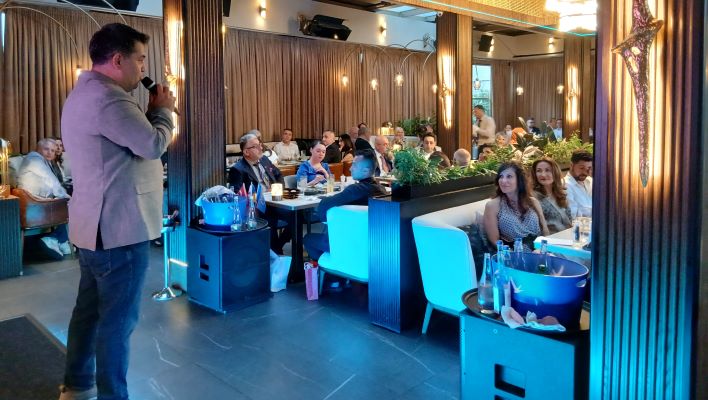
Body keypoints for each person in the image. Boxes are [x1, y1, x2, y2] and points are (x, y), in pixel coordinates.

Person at [59, 23, 176, 400]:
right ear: (117, 59)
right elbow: (153, 145)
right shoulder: (111, 99)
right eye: (140, 60)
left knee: (89, 312)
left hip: (92, 227)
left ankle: (77, 386)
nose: (143, 69)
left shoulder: (83, 93)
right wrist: (163, 112)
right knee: (117, 323)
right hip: (119, 230)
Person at [303, 149, 386, 261]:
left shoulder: (355, 190)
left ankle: (332, 267)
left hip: (347, 242)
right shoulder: (382, 190)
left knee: (308, 239)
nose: (350, 169)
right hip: (373, 244)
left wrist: (328, 199)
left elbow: (323, 208)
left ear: (366, 171)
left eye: (354, 165)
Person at [228, 132, 291, 254]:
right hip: (259, 208)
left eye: (260, 144)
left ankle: (279, 246)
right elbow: (238, 195)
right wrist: (259, 195)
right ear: (246, 152)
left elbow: (279, 175)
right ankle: (276, 251)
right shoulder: (238, 169)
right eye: (256, 146)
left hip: (276, 201)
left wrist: (277, 188)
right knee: (270, 219)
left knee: (297, 216)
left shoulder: (264, 160)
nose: (261, 148)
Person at [17, 139, 72, 257]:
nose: (50, 153)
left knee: (67, 202)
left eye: (52, 150)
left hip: (38, 202)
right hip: (35, 207)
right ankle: (54, 238)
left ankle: (62, 241)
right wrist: (67, 197)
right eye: (46, 149)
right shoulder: (34, 159)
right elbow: (52, 182)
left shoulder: (43, 161)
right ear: (38, 149)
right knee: (72, 204)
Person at [483, 161, 549, 250]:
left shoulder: (533, 202)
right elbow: (495, 241)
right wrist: (513, 254)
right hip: (514, 253)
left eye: (509, 176)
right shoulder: (492, 206)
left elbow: (545, 231)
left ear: (520, 180)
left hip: (540, 249)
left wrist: (544, 250)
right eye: (501, 176)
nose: (503, 181)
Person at [531, 158, 572, 234]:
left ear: (555, 172)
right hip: (550, 239)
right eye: (539, 171)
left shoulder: (560, 193)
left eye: (547, 170)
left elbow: (570, 221)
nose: (543, 174)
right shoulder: (533, 197)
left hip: (569, 237)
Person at [563, 150, 593, 217]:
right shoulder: (565, 185)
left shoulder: (590, 181)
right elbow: (572, 213)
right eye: (581, 168)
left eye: (589, 168)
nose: (585, 172)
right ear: (571, 165)